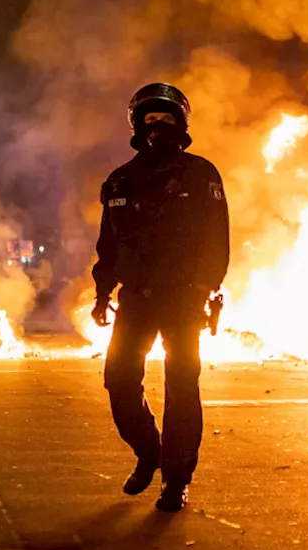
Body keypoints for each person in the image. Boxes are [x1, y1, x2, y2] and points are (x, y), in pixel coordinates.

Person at [91, 83, 230, 513]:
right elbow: (108, 245)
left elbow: (217, 241)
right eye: (150, 120)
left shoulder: (201, 174)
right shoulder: (119, 180)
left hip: (184, 299)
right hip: (135, 299)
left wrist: (207, 289)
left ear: (181, 125)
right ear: (137, 125)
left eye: (167, 119)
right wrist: (101, 291)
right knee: (118, 381)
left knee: (181, 387)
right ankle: (149, 451)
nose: (158, 127)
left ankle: (176, 479)